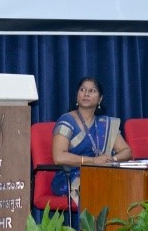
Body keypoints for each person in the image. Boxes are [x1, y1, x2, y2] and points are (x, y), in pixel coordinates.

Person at [50, 77, 133, 205]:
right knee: (98, 187)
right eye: (82, 89)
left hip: (100, 173)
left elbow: (126, 151)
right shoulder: (66, 120)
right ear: (77, 95)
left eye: (92, 90)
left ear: (100, 99)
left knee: (127, 185)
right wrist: (93, 161)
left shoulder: (105, 124)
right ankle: (91, 225)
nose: (86, 94)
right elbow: (59, 157)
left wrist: (111, 160)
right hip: (70, 176)